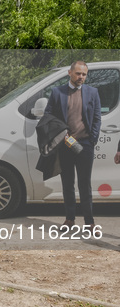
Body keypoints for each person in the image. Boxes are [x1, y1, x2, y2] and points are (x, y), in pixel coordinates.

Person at [44, 61, 101, 230]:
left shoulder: (93, 92)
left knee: (85, 184)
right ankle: (69, 219)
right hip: (65, 144)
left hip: (85, 145)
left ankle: (89, 222)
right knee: (67, 184)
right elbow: (48, 115)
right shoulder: (57, 92)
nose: (81, 77)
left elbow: (97, 118)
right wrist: (59, 134)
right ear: (70, 72)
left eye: (84, 74)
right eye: (78, 74)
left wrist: (93, 139)